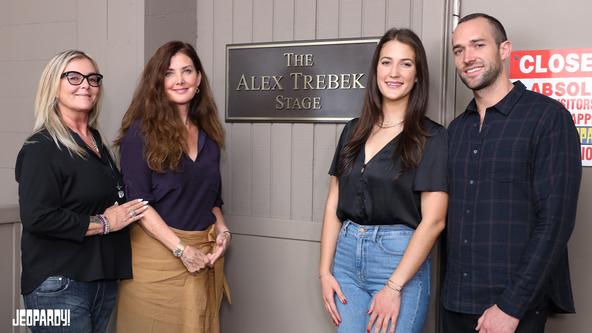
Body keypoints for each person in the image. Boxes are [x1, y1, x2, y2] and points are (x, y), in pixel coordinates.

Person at [442, 13, 582, 333]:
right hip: (455, 303)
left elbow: (556, 222)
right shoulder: (455, 131)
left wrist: (511, 306)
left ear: (504, 50)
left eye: (478, 45)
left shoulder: (547, 119)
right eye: (459, 50)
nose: (468, 57)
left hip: (513, 310)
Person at [319, 28, 448, 333]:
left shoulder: (432, 137)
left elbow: (434, 221)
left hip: (399, 262)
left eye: (406, 64)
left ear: (417, 75)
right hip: (347, 260)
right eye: (386, 62)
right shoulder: (352, 131)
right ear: (376, 69)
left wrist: (393, 287)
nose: (394, 72)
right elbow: (333, 204)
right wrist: (324, 272)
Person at [15, 50, 148, 333]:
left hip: (99, 280)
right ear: (53, 85)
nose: (85, 84)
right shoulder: (41, 147)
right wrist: (105, 223)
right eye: (73, 77)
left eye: (92, 78)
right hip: (56, 285)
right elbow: (37, 217)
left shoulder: (95, 140)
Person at [115, 41, 231, 333]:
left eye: (187, 71)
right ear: (158, 82)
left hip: (201, 260)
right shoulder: (139, 135)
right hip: (157, 265)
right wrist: (181, 250)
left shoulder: (209, 135)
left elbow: (212, 199)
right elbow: (138, 206)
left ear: (199, 79)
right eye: (169, 73)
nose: (179, 80)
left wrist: (223, 230)